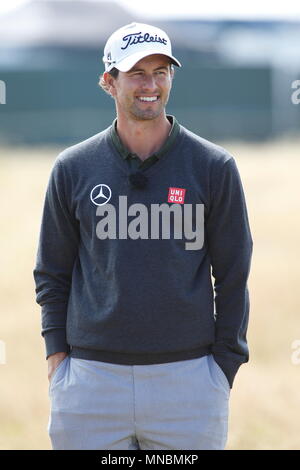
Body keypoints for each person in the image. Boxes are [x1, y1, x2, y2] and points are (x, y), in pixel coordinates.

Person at [33, 22, 253, 450]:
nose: (150, 85)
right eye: (136, 73)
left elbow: (233, 276)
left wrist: (222, 369)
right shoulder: (73, 168)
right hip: (90, 382)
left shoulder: (214, 166)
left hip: (189, 381)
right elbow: (52, 272)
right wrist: (57, 359)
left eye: (161, 71)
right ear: (108, 81)